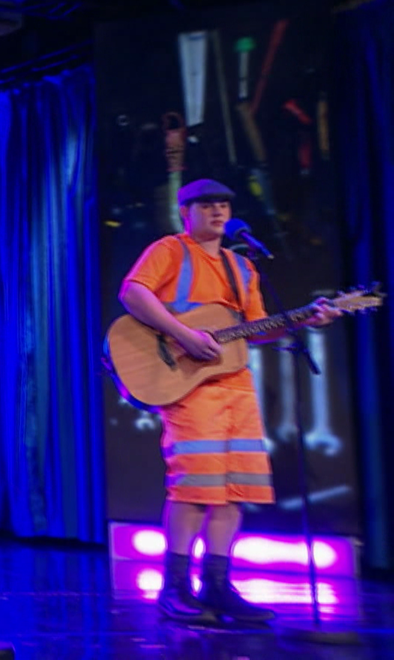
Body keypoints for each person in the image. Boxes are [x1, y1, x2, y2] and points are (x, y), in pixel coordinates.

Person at [118, 178, 340, 625]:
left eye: (223, 204)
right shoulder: (170, 250)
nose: (217, 211)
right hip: (190, 385)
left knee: (234, 491)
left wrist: (305, 320)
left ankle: (218, 586)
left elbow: (257, 328)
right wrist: (184, 334)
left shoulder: (243, 268)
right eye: (206, 205)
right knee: (194, 487)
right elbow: (133, 293)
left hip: (236, 387)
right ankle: (174, 588)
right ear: (186, 212)